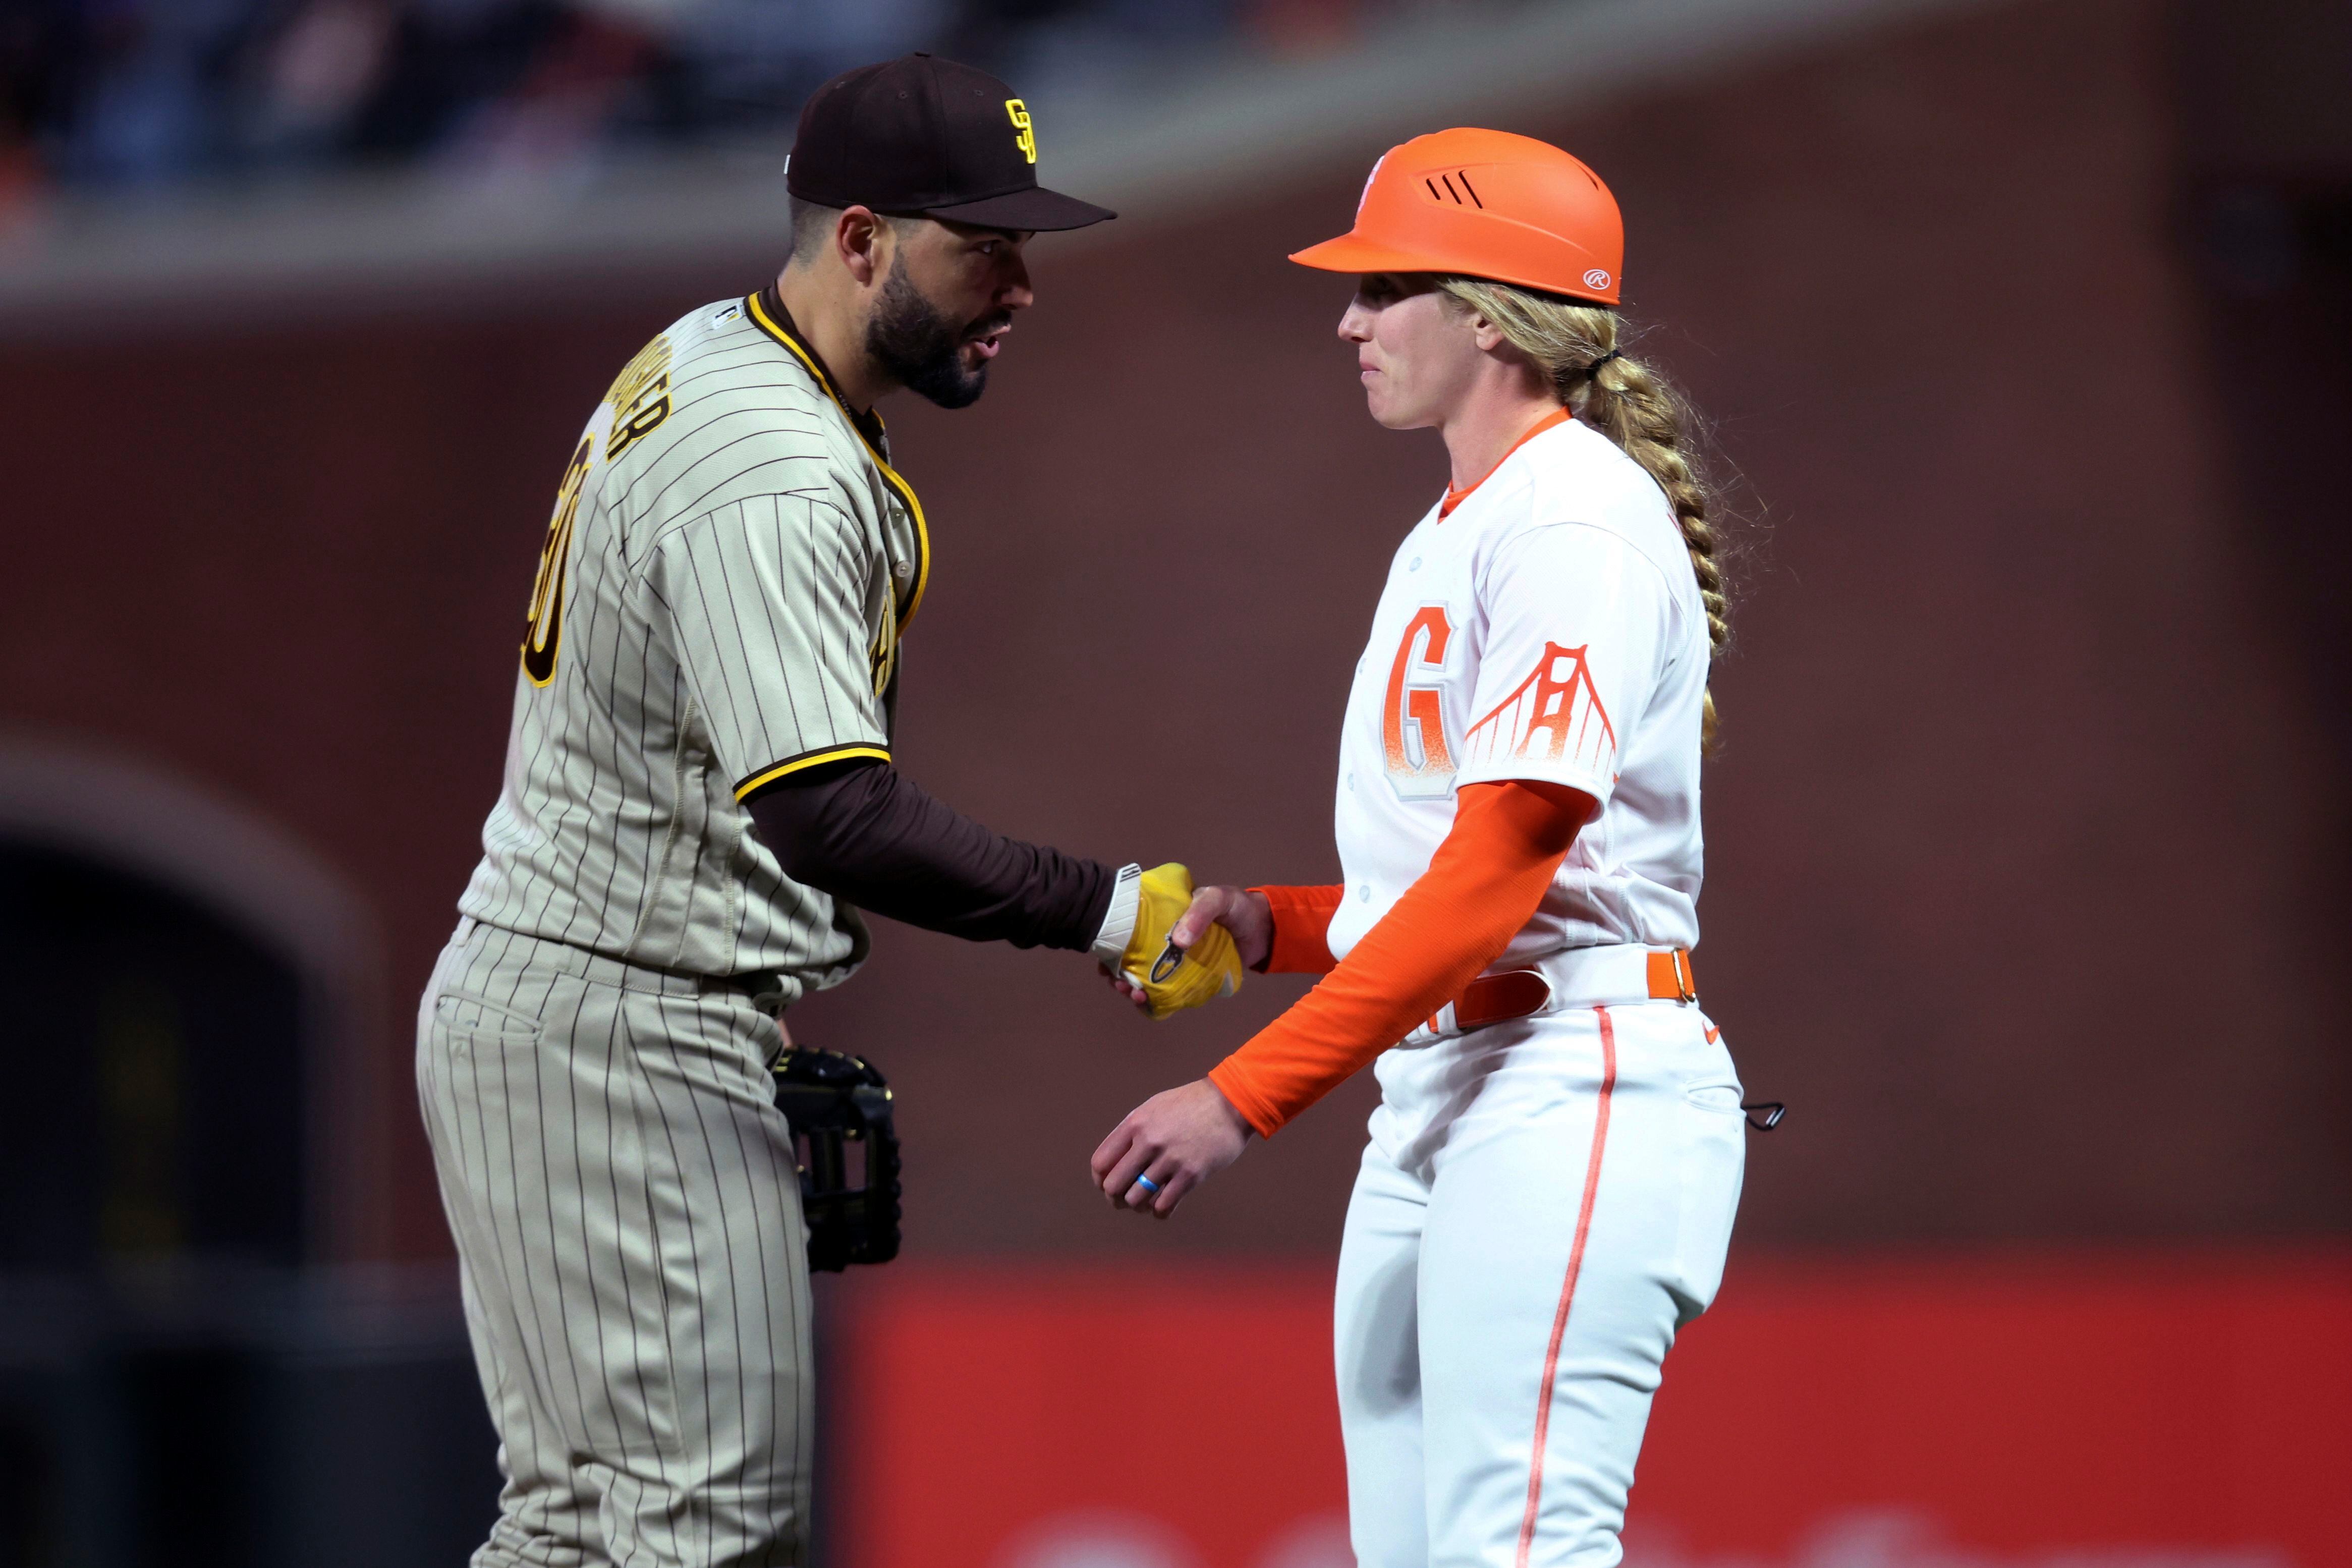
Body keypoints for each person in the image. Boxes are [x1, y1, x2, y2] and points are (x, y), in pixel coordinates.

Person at [417, 53, 1235, 1568]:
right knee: (707, 1533)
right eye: (981, 244)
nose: (1019, 282)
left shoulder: (719, 349)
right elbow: (833, 818)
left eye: (1025, 244)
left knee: (581, 1531)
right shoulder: (775, 464)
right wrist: (1114, 908)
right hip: (620, 1024)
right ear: (862, 239)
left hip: (573, 1000)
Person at [1090, 128, 1749, 1565]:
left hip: (1572, 1080)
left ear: (1493, 311)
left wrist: (1240, 1097)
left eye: (1385, 287)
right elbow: (1442, 891)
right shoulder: (1460, 522)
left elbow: (1504, 871)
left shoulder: (1575, 515)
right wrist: (1270, 923)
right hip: (1450, 1084)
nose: (1350, 319)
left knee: (1522, 1545)